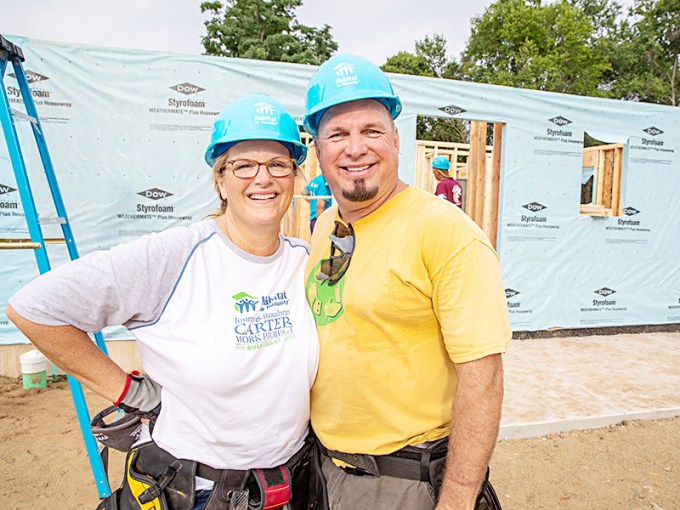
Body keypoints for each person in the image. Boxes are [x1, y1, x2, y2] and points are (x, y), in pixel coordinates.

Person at [6, 94, 320, 510]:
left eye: (278, 165)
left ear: (294, 177)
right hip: (198, 492)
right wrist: (129, 392)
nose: (263, 178)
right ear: (220, 181)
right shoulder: (175, 257)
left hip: (292, 485)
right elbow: (33, 308)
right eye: (243, 165)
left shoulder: (305, 261)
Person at [302, 54, 511, 510]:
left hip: (402, 482)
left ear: (395, 139)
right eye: (337, 134)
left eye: (371, 131)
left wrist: (455, 501)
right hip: (324, 469)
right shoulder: (325, 226)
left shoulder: (444, 232)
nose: (355, 148)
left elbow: (485, 380)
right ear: (319, 151)